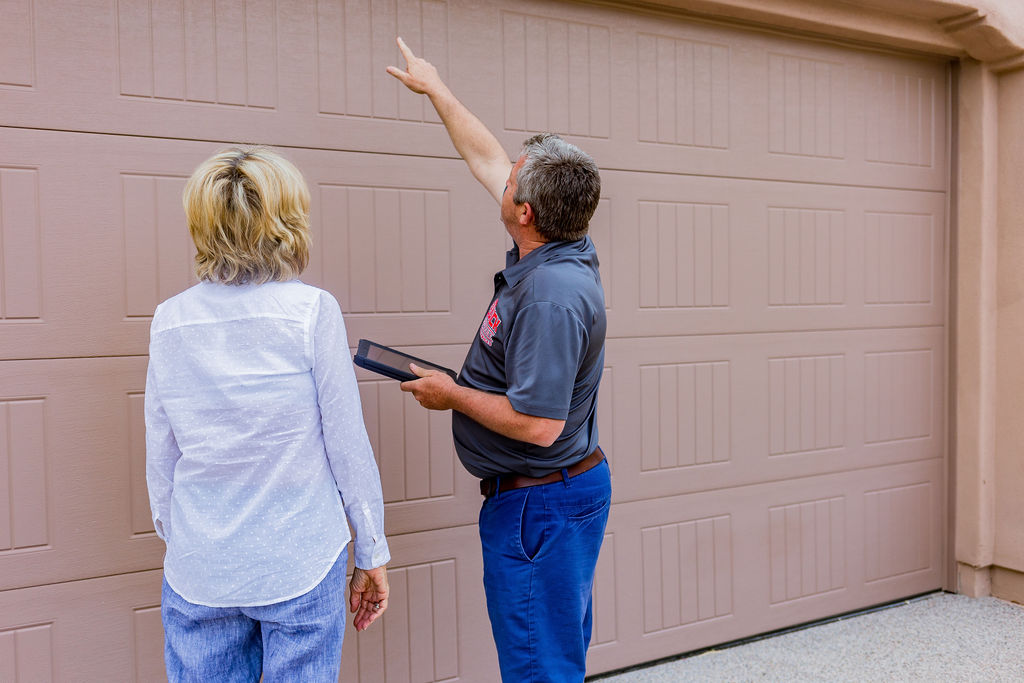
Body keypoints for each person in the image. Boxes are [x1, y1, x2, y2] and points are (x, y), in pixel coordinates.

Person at [388, 37, 611, 682]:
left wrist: (450, 394)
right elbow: (485, 155)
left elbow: (539, 426)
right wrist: (437, 91)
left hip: (540, 507)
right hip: (550, 500)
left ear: (525, 211)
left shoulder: (549, 295)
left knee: (540, 669)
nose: (502, 173)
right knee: (553, 656)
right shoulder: (558, 240)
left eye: (513, 178)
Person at [145, 147, 390, 682]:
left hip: (202, 569)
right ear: (286, 221)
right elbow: (346, 443)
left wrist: (187, 540)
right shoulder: (310, 312)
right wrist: (371, 549)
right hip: (298, 557)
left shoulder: (169, 321)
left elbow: (160, 456)